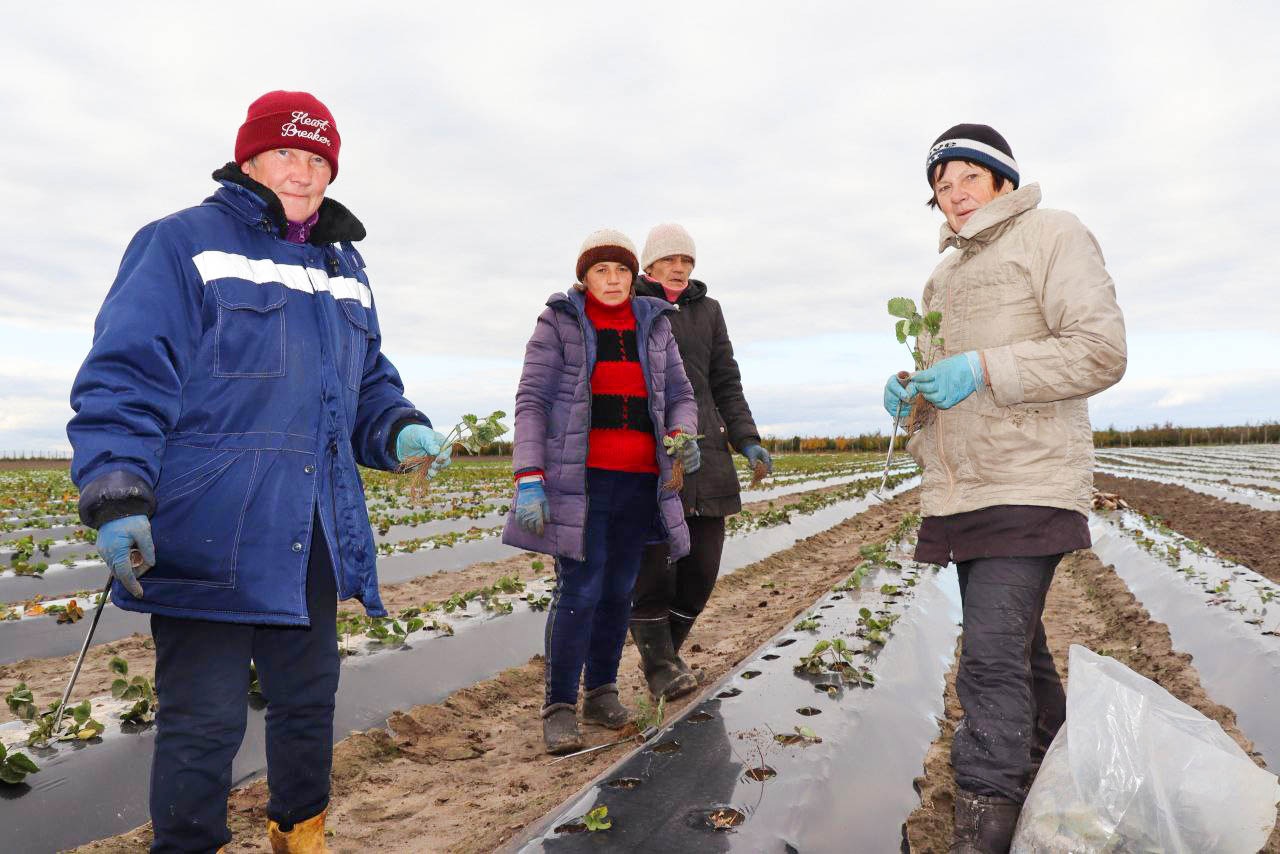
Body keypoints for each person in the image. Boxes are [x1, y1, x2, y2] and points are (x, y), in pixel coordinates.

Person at [67, 90, 451, 853]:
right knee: (203, 724)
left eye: (318, 159)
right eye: (287, 154)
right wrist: (116, 492)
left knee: (308, 702)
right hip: (208, 529)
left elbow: (365, 383)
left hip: (311, 531)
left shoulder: (345, 266)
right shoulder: (182, 244)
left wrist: (400, 427)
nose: (303, 173)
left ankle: (298, 835)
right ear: (249, 159)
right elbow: (126, 377)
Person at [883, 124, 1126, 853]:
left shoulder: (1053, 235)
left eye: (966, 178)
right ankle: (1064, 777)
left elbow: (1100, 350)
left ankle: (983, 825)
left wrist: (983, 368)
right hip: (964, 492)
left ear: (1002, 181)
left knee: (988, 659)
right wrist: (912, 397)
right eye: (940, 186)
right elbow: (943, 381)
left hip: (1030, 478)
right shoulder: (940, 279)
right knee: (1018, 655)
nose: (953, 195)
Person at [502, 229, 700, 754]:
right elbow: (531, 401)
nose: (612, 281)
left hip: (640, 482)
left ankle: (603, 692)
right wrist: (529, 475)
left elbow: (680, 394)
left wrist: (684, 434)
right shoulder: (560, 322)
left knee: (619, 591)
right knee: (580, 590)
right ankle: (560, 705)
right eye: (600, 271)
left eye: (621, 271)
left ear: (635, 277)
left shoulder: (654, 325)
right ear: (584, 278)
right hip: (580, 485)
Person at [629, 224, 770, 699]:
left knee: (701, 571)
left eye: (686, 261)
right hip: (652, 455)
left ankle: (664, 656)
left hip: (706, 454)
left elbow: (726, 381)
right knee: (653, 570)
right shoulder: (632, 306)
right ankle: (661, 669)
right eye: (669, 259)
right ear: (648, 265)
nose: (679, 267)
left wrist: (746, 439)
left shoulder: (709, 311)